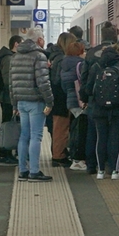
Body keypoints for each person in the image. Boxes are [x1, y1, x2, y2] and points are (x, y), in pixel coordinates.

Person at [83, 42, 119, 180]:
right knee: (115, 139)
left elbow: (88, 89)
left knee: (101, 138)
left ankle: (100, 171)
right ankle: (115, 171)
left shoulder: (95, 67)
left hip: (99, 109)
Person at [9, 31, 54, 182]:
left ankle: (23, 170)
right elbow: (43, 82)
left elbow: (11, 83)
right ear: (40, 40)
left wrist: (14, 103)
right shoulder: (39, 56)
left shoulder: (15, 56)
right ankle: (34, 171)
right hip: (35, 101)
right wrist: (49, 101)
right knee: (36, 136)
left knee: (24, 136)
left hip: (21, 101)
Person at [0, 35, 22, 165]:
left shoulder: (7, 57)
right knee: (8, 125)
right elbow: (9, 80)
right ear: (16, 44)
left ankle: (7, 152)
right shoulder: (9, 58)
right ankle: (4, 153)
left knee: (8, 124)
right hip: (8, 98)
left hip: (7, 97)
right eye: (22, 43)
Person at [61, 39, 89, 171]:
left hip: (70, 101)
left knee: (75, 128)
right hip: (80, 101)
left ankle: (75, 157)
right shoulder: (80, 64)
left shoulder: (64, 64)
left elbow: (62, 85)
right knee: (81, 130)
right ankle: (78, 159)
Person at [48, 32, 73, 167]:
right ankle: (58, 156)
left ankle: (58, 152)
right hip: (60, 97)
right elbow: (58, 80)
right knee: (60, 127)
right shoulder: (61, 58)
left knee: (58, 126)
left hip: (55, 96)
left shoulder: (54, 56)